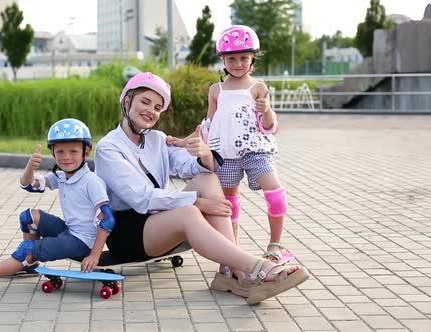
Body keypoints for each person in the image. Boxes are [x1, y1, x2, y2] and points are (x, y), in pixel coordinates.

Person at [94, 71, 308, 304]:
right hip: (128, 233)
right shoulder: (108, 148)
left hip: (158, 220)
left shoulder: (156, 139)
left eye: (157, 107)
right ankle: (256, 268)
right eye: (145, 102)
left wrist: (205, 154)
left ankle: (230, 273)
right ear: (127, 101)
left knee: (208, 179)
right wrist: (197, 202)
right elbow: (141, 198)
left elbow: (190, 168)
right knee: (189, 211)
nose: (151, 111)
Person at [0, 118, 115, 290]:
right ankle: (27, 264)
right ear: (53, 153)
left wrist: (95, 255)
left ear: (86, 152)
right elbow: (29, 185)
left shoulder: (92, 182)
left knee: (27, 248)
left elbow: (107, 219)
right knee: (29, 217)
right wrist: (30, 167)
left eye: (73, 151)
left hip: (83, 243)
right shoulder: (62, 176)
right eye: (60, 151)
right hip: (70, 231)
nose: (66, 157)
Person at [202, 25, 288, 262]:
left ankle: (275, 245)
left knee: (276, 193)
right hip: (225, 154)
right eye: (231, 58)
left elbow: (269, 126)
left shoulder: (258, 88)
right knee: (229, 205)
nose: (237, 63)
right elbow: (209, 124)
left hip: (256, 151)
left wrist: (267, 110)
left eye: (243, 58)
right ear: (223, 59)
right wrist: (189, 142)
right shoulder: (215, 90)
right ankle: (234, 251)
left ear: (252, 59)